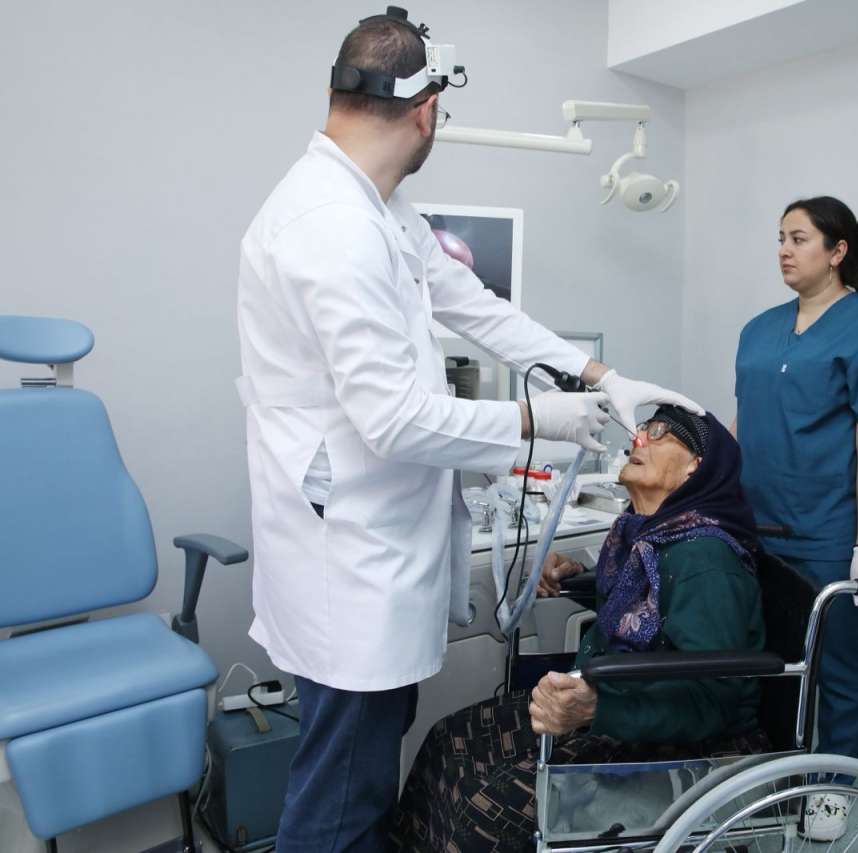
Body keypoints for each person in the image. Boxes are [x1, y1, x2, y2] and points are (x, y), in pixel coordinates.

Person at [235, 9, 700, 851]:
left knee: (356, 780)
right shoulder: (331, 226)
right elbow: (393, 418)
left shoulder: (377, 208)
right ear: (427, 110)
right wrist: (537, 419)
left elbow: (472, 304)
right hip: (347, 567)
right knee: (341, 799)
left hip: (361, 549)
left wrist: (597, 376)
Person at [389, 406, 767, 851]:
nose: (639, 439)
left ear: (694, 468)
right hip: (619, 700)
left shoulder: (704, 559)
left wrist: (595, 708)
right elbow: (647, 611)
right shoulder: (643, 533)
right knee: (449, 741)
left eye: (661, 433)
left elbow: (712, 699)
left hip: (682, 742)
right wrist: (578, 578)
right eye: (643, 428)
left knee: (483, 802)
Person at [733, 195, 858, 841]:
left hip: (828, 529)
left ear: (837, 251)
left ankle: (834, 785)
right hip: (755, 523)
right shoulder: (759, 328)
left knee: (837, 665)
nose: (784, 249)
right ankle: (768, 767)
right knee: (766, 657)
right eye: (780, 237)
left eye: (799, 238)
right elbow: (744, 421)